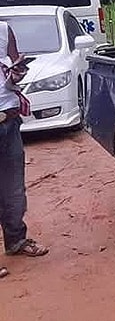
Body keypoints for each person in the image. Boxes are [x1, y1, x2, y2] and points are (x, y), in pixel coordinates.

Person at [0, 19, 48, 258]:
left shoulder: (3, 30)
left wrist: (18, 72)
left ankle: (16, 240)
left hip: (8, 119)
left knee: (13, 189)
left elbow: (13, 66)